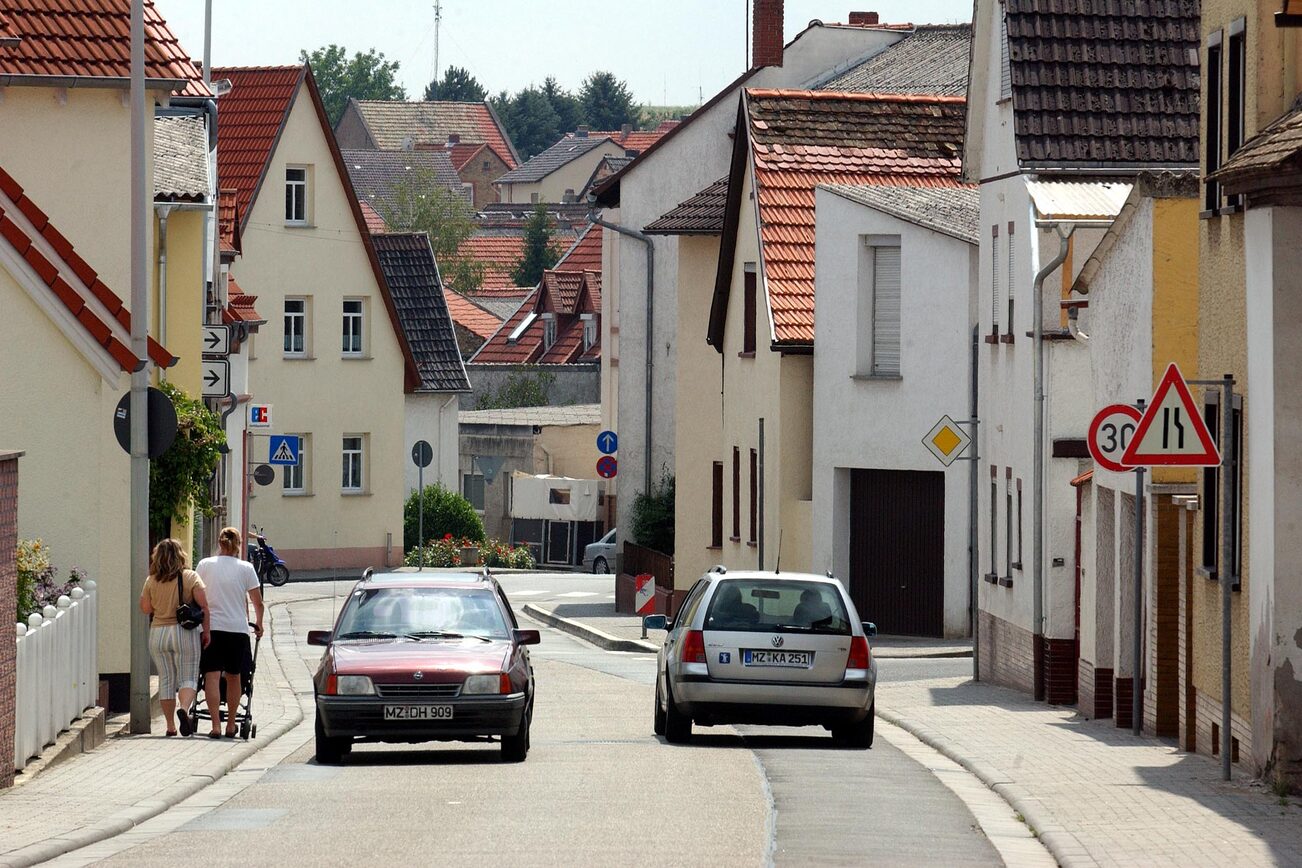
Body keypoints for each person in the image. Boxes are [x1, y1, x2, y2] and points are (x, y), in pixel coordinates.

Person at [197, 527, 264, 739]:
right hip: (237, 629)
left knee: (212, 676)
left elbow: (196, 594)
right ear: (239, 544)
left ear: (219, 542)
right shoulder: (246, 568)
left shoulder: (205, 565)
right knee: (235, 676)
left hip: (212, 628)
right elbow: (257, 602)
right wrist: (259, 624)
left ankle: (215, 725)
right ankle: (231, 724)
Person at [139, 539, 210, 737]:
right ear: (181, 555)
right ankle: (184, 710)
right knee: (188, 676)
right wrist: (207, 632)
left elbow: (145, 608)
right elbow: (204, 606)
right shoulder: (189, 576)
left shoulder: (151, 580)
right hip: (183, 632)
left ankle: (170, 726)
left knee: (166, 679)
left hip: (158, 634)